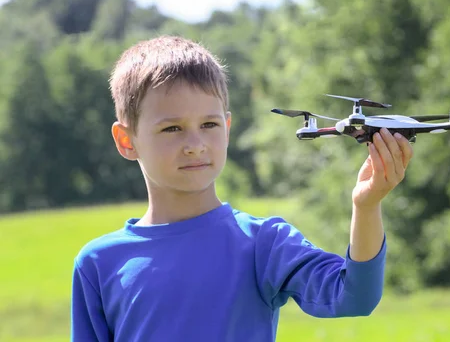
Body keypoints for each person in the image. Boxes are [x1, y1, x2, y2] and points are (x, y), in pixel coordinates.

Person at [70, 35, 413, 342]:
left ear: (228, 127)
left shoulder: (264, 243)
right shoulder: (98, 263)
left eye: (209, 124)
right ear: (126, 140)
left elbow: (355, 297)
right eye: (172, 129)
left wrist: (366, 206)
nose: (195, 144)